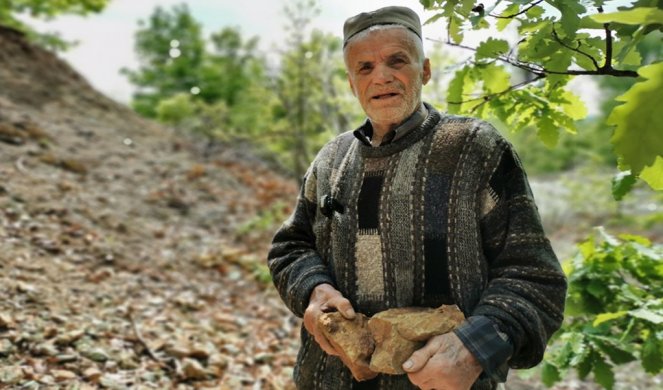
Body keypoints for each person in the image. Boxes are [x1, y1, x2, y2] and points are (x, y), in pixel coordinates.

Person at [268, 5, 567, 390]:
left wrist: (474, 348)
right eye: (365, 68)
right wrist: (313, 290)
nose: (382, 77)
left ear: (424, 69)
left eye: (397, 60)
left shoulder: (474, 148)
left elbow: (534, 277)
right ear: (350, 83)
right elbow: (290, 247)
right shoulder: (331, 159)